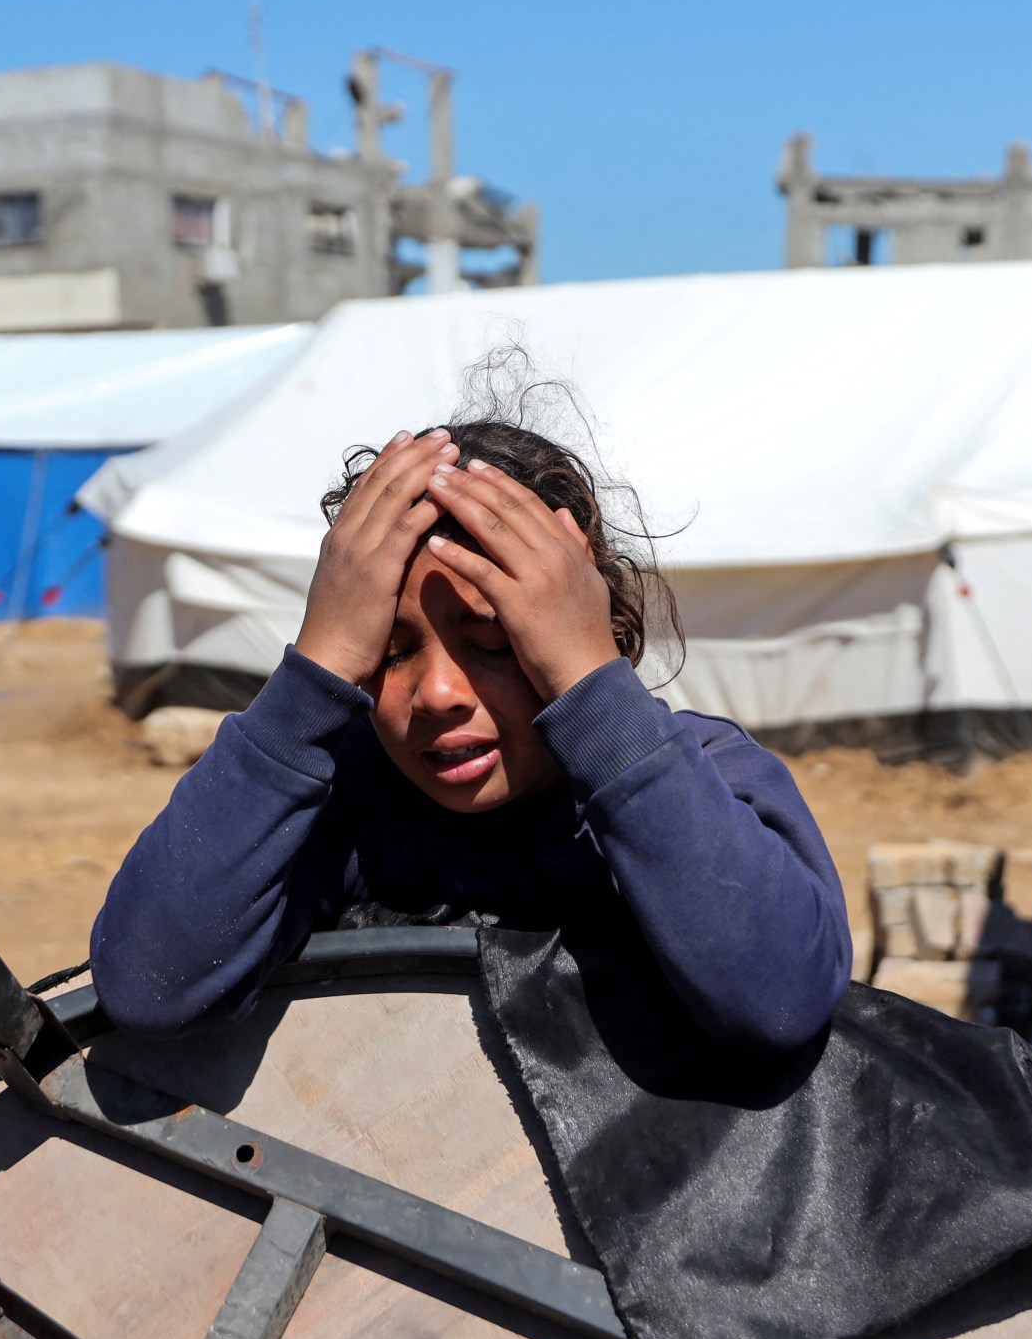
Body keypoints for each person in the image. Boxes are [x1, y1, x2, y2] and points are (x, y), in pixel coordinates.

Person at [89, 420, 851, 1051]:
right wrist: (314, 677)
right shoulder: (342, 811)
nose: (438, 695)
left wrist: (595, 692)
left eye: (492, 644)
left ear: (593, 634)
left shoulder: (703, 782)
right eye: (388, 653)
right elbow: (152, 988)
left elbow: (780, 1003)